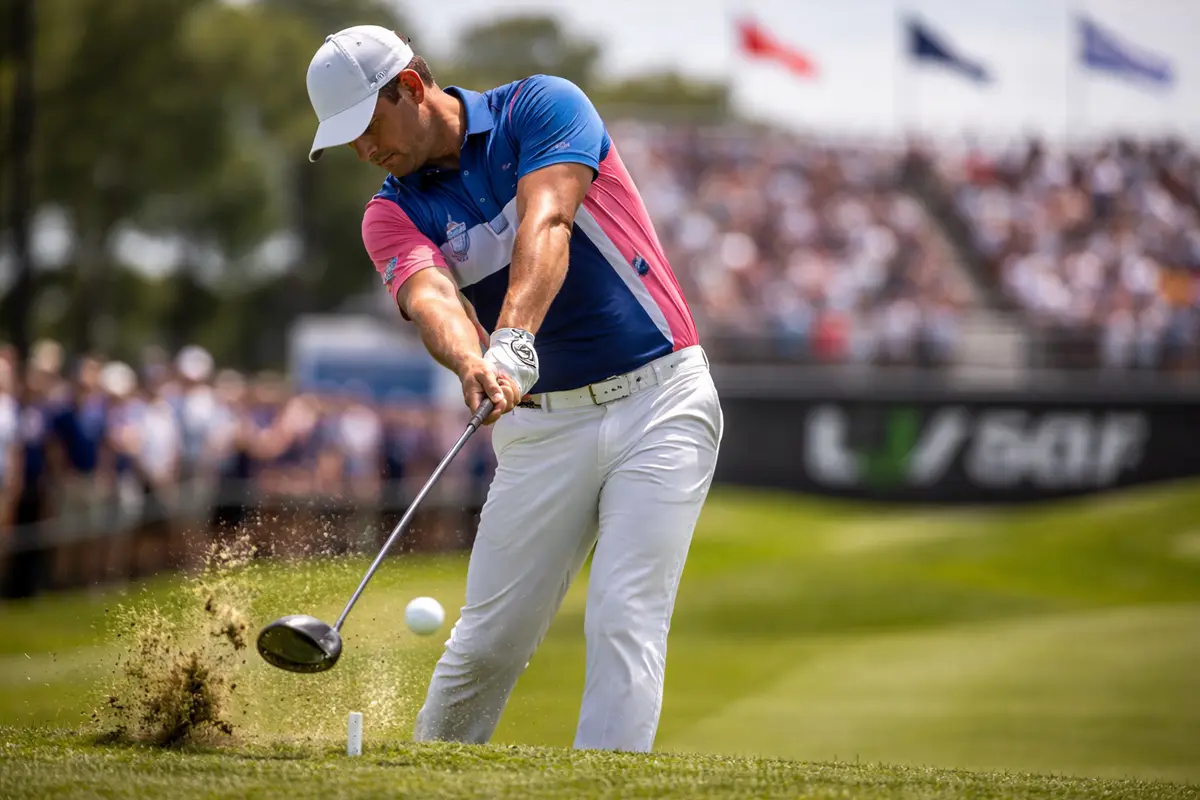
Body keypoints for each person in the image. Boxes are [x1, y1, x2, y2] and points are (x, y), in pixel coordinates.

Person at [304, 26, 724, 752]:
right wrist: (474, 363)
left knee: (625, 617)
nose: (363, 150)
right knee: (489, 641)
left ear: (410, 86)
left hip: (663, 399)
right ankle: (431, 774)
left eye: (368, 127)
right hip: (543, 425)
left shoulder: (543, 107)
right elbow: (433, 298)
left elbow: (548, 220)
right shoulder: (389, 213)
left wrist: (515, 336)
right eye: (348, 141)